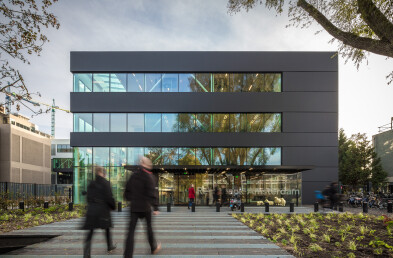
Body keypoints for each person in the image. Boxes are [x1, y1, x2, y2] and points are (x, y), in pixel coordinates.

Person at [124, 157, 161, 257]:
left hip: (134, 208)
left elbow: (127, 191)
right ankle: (153, 248)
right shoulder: (149, 176)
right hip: (145, 207)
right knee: (149, 228)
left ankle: (127, 255)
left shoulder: (133, 176)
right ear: (146, 165)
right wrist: (155, 207)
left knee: (131, 232)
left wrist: (132, 199)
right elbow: (152, 193)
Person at [82, 166, 116, 258]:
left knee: (90, 232)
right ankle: (109, 246)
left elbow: (88, 198)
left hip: (92, 210)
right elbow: (109, 197)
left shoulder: (91, 184)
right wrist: (113, 206)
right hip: (103, 210)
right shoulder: (106, 183)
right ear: (102, 172)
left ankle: (86, 253)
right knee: (107, 228)